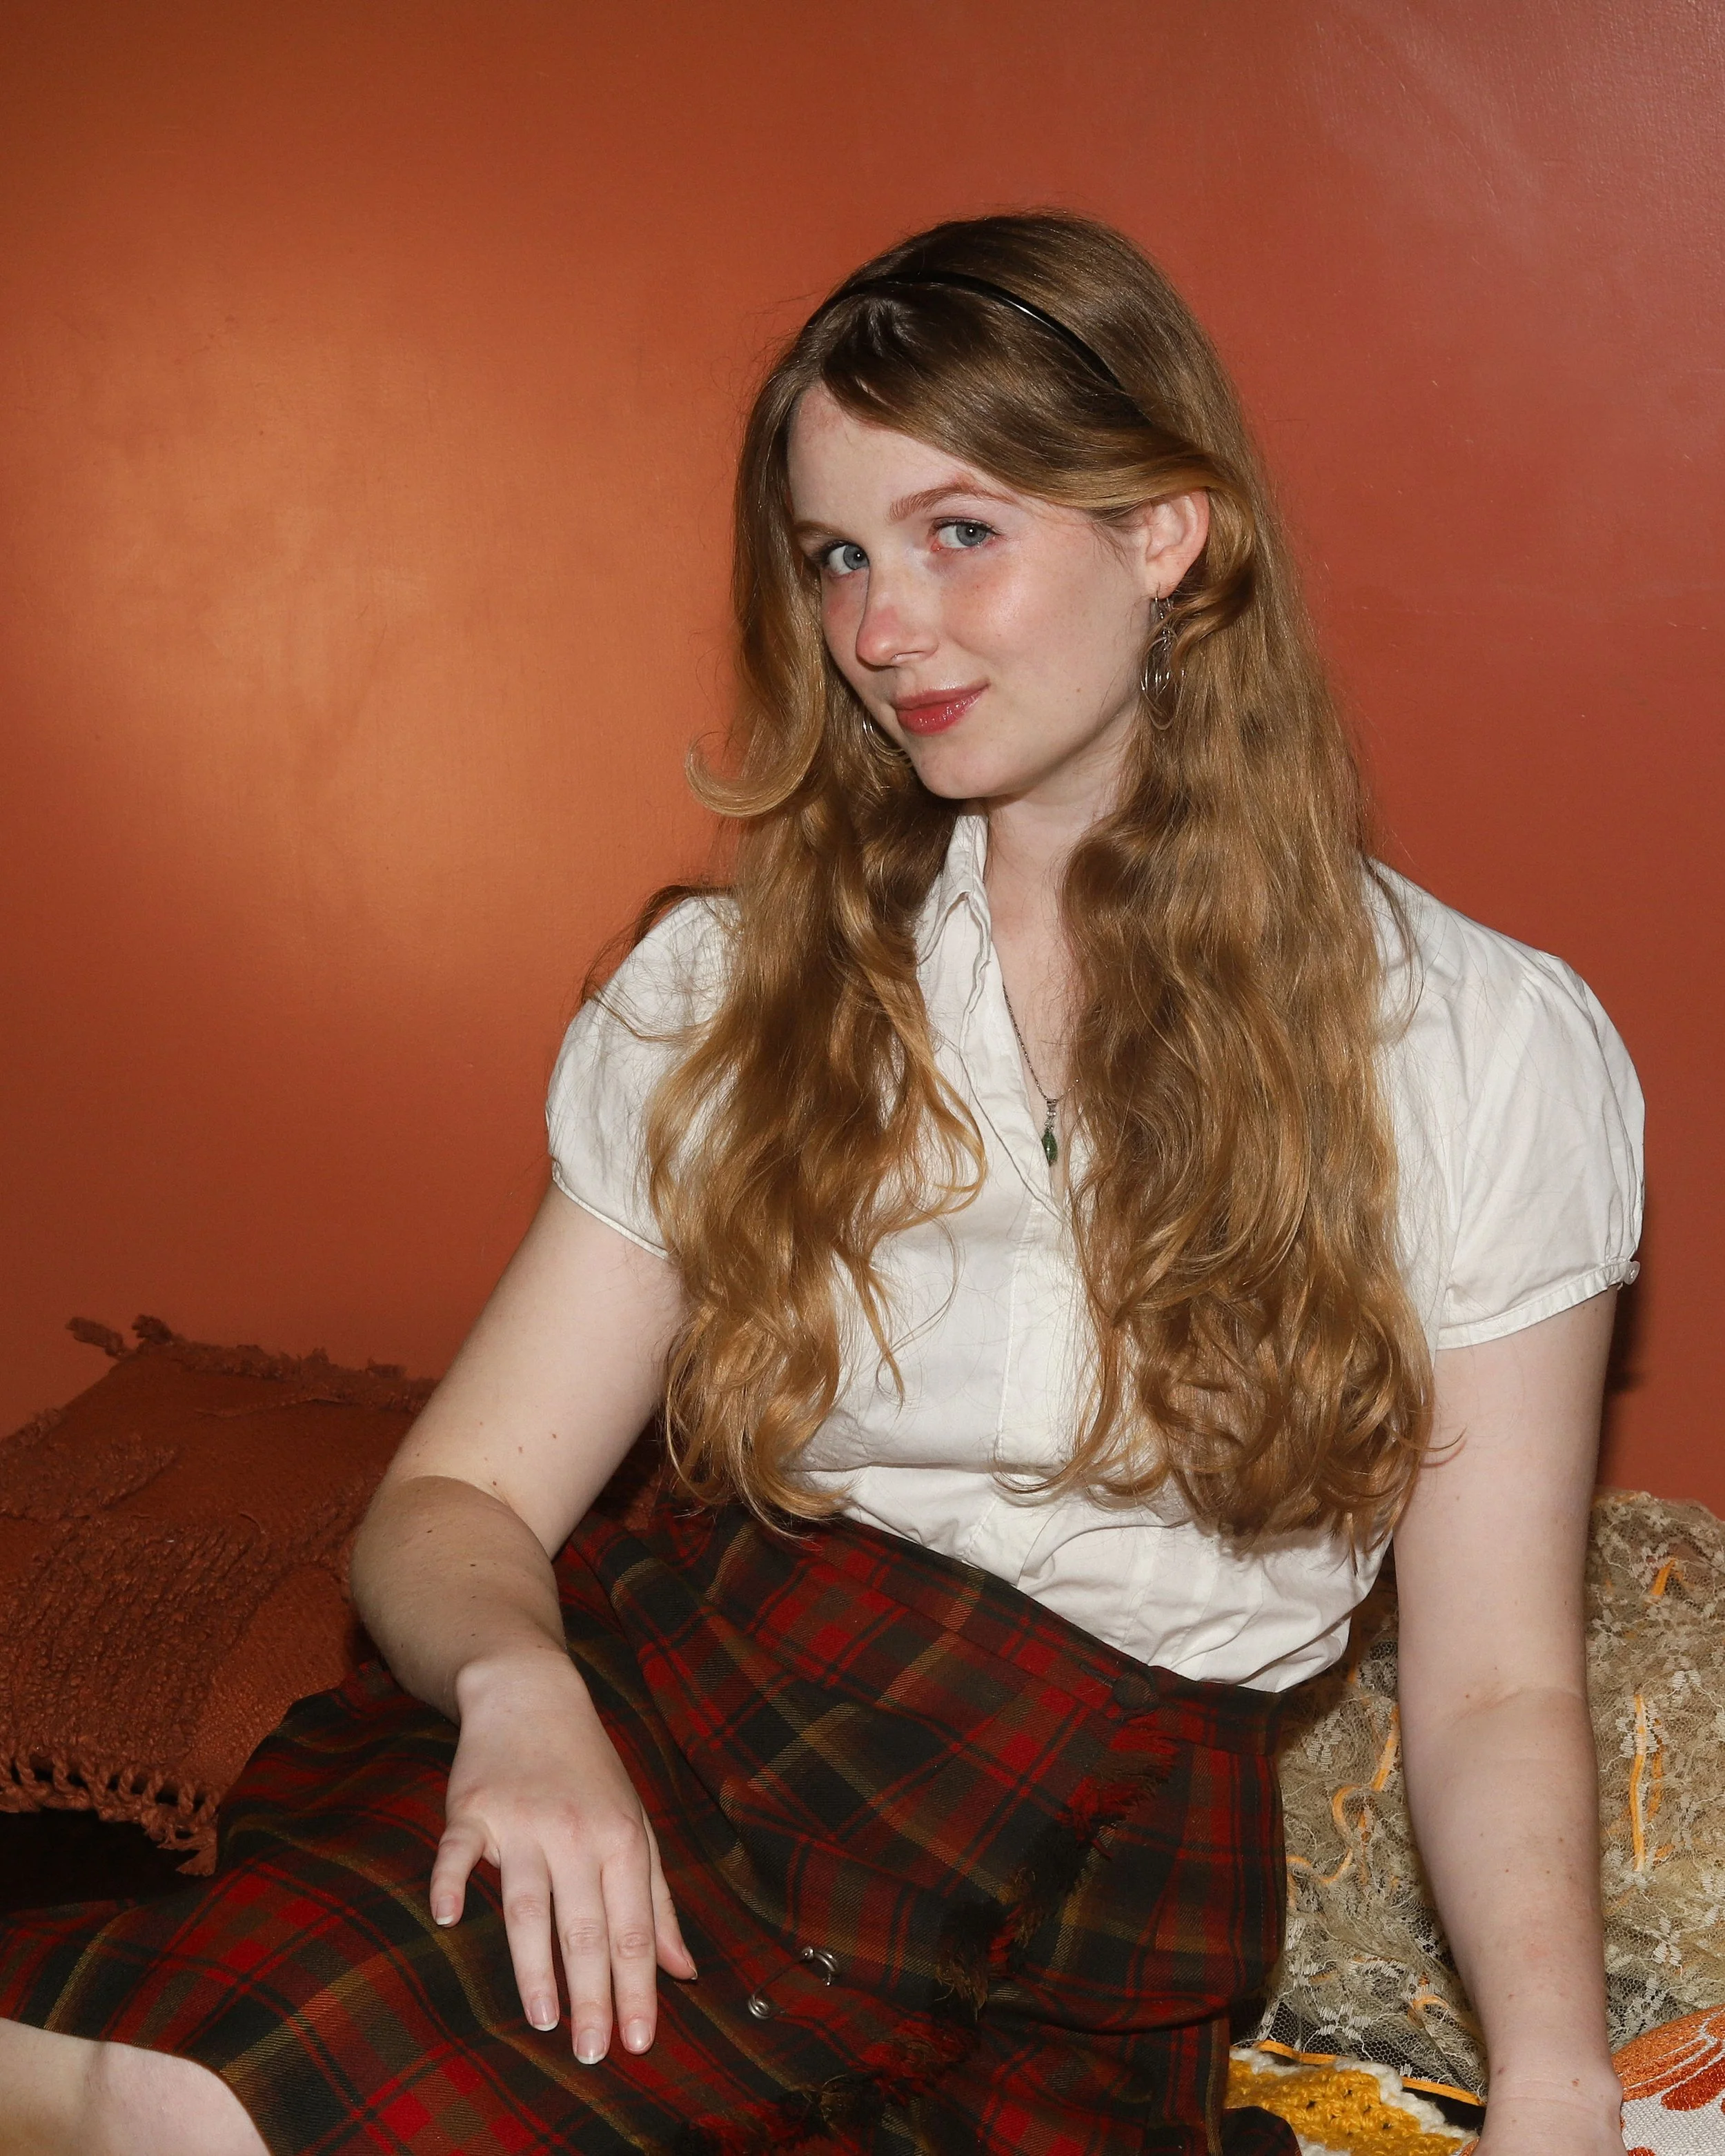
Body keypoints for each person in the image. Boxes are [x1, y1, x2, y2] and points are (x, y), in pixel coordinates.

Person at [0, 211, 1642, 2156]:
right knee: (173, 2097)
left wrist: (1553, 2082)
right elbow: (454, 1494)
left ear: (1162, 535)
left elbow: (1488, 1688)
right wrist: (522, 1693)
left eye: (959, 531)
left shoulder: (1479, 1045)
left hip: (1089, 1862)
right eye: (837, 557)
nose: (880, 627)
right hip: (687, 1708)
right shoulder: (733, 990)